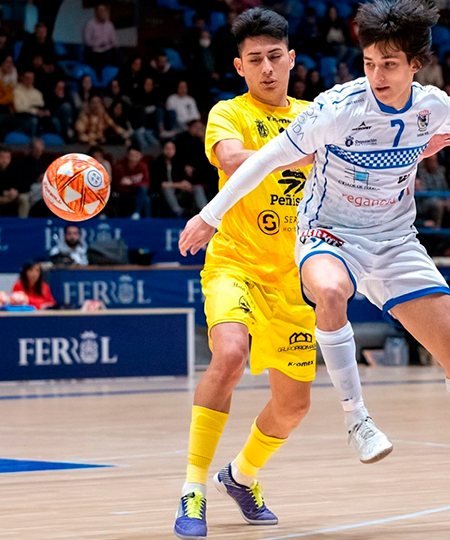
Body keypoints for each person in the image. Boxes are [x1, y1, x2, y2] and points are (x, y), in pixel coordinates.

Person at [180, 0, 450, 529]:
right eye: (369, 62)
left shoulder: (426, 108)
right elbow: (255, 159)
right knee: (298, 313)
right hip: (305, 242)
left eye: (389, 64)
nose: (377, 75)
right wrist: (211, 215)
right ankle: (347, 425)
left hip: (392, 242)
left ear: (415, 64)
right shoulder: (323, 108)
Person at [171, 10, 318, 539]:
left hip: (296, 279)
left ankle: (241, 475)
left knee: (294, 405)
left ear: (292, 58)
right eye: (255, 60)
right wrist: (309, 157)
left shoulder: (314, 113)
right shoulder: (227, 112)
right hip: (234, 260)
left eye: (275, 57)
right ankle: (193, 488)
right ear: (240, 65)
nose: (268, 69)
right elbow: (234, 160)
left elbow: (354, 159)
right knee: (229, 354)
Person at [112, 147, 151, 219]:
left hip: (137, 192)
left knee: (145, 196)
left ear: (140, 156)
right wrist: (135, 184)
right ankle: (139, 215)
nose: (133, 158)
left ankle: (140, 215)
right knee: (145, 198)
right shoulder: (120, 166)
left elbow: (146, 183)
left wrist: (131, 183)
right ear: (127, 155)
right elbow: (116, 184)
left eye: (136, 156)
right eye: (131, 155)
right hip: (124, 192)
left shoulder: (143, 166)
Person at [82, 2, 118, 68]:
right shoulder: (90, 24)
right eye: (101, 10)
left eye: (104, 11)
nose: (103, 13)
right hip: (94, 51)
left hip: (107, 50)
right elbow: (87, 41)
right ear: (96, 12)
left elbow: (114, 41)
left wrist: (111, 45)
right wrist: (99, 43)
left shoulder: (110, 25)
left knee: (116, 53)